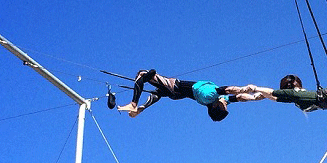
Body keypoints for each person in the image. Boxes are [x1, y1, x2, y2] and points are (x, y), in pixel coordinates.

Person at [115, 69, 269, 121]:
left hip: (175, 87)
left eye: (224, 106)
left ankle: (134, 104)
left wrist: (244, 88)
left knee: (145, 74)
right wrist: (257, 97)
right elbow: (238, 98)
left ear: (215, 106)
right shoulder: (216, 101)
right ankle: (140, 108)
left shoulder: (209, 96)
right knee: (159, 92)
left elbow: (228, 90)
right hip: (175, 94)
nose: (226, 104)